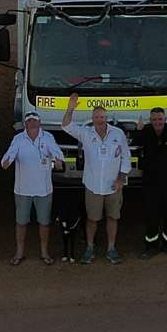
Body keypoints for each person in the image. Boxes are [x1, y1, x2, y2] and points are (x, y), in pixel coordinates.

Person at [61, 93, 131, 265]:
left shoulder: (118, 134)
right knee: (92, 219)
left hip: (113, 186)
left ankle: (111, 249)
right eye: (97, 117)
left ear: (106, 118)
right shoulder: (86, 134)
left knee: (113, 218)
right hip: (93, 187)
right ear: (92, 119)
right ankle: (90, 248)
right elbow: (66, 125)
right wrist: (70, 109)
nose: (100, 120)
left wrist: (121, 179)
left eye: (102, 117)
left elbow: (126, 158)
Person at [0, 110, 65, 265]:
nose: (32, 123)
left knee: (44, 222)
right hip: (22, 189)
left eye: (35, 120)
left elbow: (58, 156)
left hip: (44, 190)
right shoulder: (18, 139)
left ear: (39, 122)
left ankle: (44, 252)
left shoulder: (48, 137)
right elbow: (7, 158)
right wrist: (6, 162)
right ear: (25, 123)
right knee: (21, 222)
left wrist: (58, 162)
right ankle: (19, 252)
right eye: (29, 120)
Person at [136, 106, 167, 258]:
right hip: (150, 183)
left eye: (160, 119)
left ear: (165, 119)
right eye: (154, 119)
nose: (157, 122)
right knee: (151, 215)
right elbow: (135, 142)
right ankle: (151, 247)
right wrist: (138, 130)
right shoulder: (145, 132)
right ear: (150, 121)